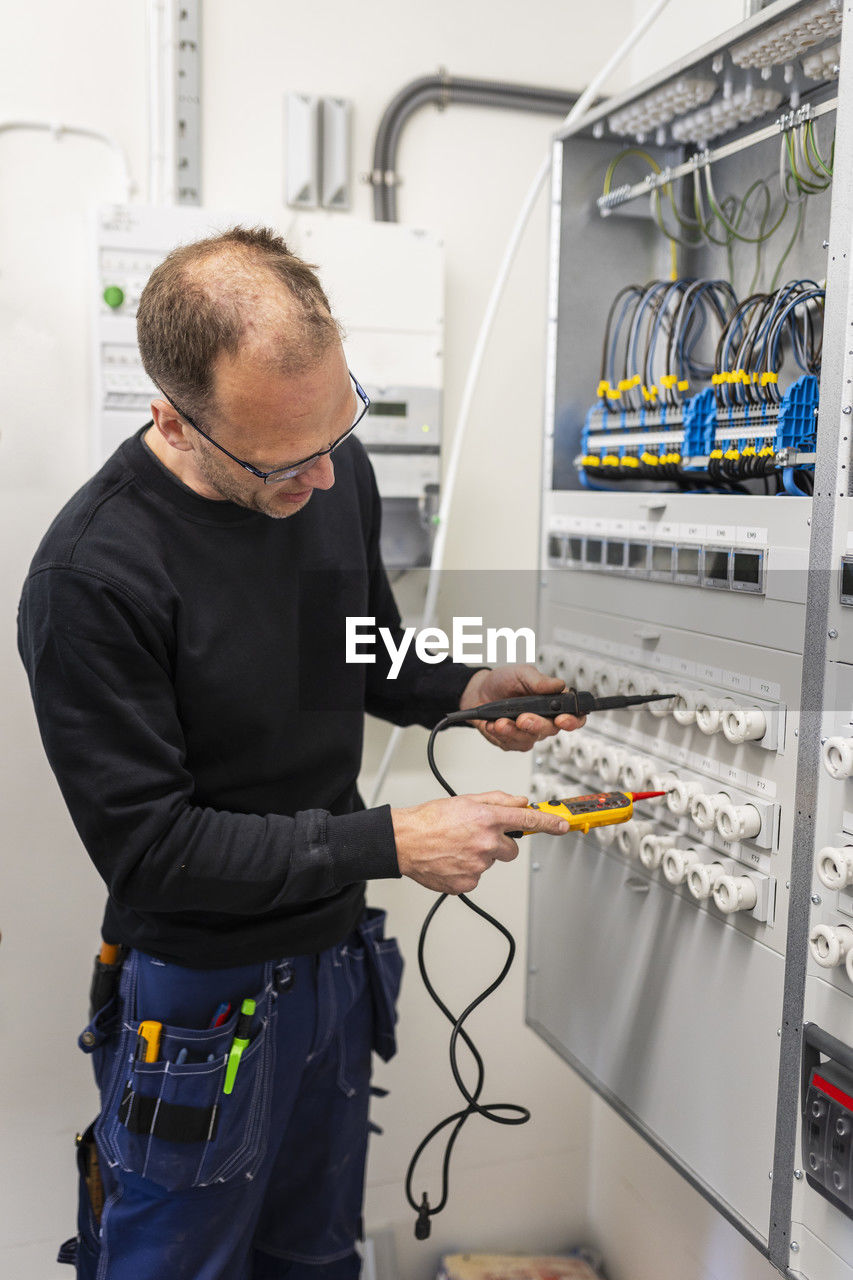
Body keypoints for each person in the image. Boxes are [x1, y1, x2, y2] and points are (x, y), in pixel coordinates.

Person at [17, 226, 582, 1280]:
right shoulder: (91, 577)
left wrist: (459, 692)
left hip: (332, 970)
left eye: (339, 428)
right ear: (172, 420)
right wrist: (394, 836)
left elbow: (359, 643)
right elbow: (155, 851)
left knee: (317, 1260)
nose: (323, 475)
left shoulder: (331, 466)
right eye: (283, 458)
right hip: (201, 1003)